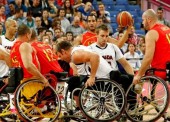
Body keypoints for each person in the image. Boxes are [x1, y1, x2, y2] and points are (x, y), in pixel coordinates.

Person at [56, 40, 113, 107]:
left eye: (60, 55)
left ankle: (79, 108)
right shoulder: (78, 49)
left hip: (103, 80)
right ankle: (80, 105)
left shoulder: (75, 55)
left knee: (72, 81)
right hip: (107, 76)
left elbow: (95, 56)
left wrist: (92, 77)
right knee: (76, 80)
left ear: (63, 51)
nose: (61, 59)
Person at [88, 24, 134, 91]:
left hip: (115, 79)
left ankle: (131, 100)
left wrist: (132, 78)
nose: (105, 38)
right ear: (96, 35)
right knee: (118, 75)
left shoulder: (113, 47)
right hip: (99, 80)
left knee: (127, 78)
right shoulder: (90, 48)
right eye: (102, 36)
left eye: (107, 36)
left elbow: (126, 64)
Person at [133, 9, 170, 84]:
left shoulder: (151, 33)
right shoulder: (167, 28)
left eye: (143, 20)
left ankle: (140, 95)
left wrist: (138, 75)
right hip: (168, 68)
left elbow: (148, 58)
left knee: (136, 78)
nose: (142, 23)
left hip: (161, 71)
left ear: (148, 19)